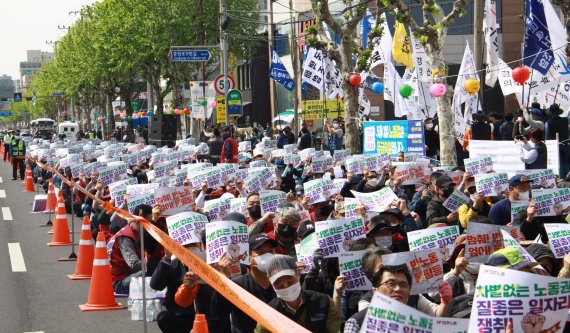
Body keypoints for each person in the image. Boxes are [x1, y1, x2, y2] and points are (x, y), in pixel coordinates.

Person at [344, 264, 452, 332]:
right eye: (391, 283)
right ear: (375, 291)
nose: (398, 289)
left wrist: (445, 302)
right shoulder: (357, 323)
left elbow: (438, 318)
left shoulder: (419, 324)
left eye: (403, 285)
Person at [254, 254, 341, 333]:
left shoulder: (324, 302)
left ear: (298, 274)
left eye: (290, 281)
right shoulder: (268, 313)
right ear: (272, 285)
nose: (286, 287)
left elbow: (335, 330)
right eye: (279, 285)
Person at [210, 233, 278, 332]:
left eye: (271, 252)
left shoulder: (282, 282)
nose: (268, 256)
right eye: (260, 253)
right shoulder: (238, 285)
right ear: (249, 259)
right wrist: (224, 280)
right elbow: (218, 311)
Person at [108, 204, 163, 294]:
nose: (149, 227)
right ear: (138, 221)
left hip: (131, 275)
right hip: (120, 282)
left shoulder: (138, 233)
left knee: (157, 264)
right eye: (148, 223)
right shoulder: (125, 237)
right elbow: (134, 264)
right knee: (150, 272)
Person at [545, 104, 569, 176]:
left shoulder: (548, 123)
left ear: (551, 112)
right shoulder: (566, 120)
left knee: (559, 164)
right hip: (566, 144)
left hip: (554, 147)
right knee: (567, 163)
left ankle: (561, 179)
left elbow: (547, 136)